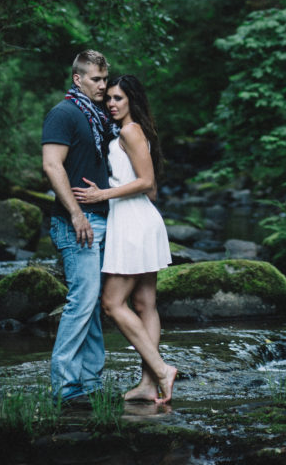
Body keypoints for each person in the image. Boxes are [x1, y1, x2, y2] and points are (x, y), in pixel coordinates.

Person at [72, 74, 177, 404]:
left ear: (132, 99)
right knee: (145, 304)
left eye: (119, 98)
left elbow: (147, 182)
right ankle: (148, 384)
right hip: (138, 220)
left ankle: (161, 370)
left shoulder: (131, 131)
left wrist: (103, 193)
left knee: (112, 303)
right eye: (109, 99)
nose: (112, 104)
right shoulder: (130, 132)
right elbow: (153, 188)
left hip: (133, 223)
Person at [41, 50, 111, 403]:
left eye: (104, 78)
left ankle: (90, 384)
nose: (102, 85)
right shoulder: (63, 113)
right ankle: (66, 389)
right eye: (95, 79)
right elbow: (53, 166)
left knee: (93, 303)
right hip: (76, 223)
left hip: (101, 220)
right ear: (77, 79)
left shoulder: (99, 116)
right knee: (81, 302)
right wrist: (76, 213)